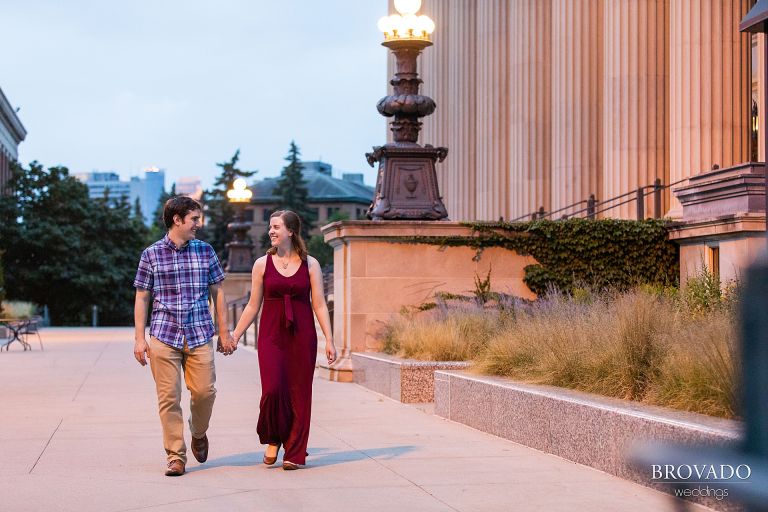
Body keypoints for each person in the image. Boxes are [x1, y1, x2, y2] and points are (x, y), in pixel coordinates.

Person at [133, 196, 237, 477]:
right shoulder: (151, 254)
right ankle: (175, 456)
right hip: (164, 334)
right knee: (168, 398)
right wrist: (140, 339)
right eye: (194, 219)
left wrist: (224, 332)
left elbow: (218, 293)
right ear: (177, 220)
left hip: (200, 332)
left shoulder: (205, 251)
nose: (198, 224)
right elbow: (142, 297)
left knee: (205, 392)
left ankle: (198, 432)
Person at [232, 209, 336, 470]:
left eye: (276, 227)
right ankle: (274, 438)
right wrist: (235, 335)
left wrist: (330, 340)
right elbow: (253, 306)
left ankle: (295, 451)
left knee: (300, 393)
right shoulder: (261, 264)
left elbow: (320, 305)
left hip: (302, 335)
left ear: (290, 231)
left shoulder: (310, 264)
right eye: (270, 227)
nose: (271, 231)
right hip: (271, 334)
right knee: (273, 389)